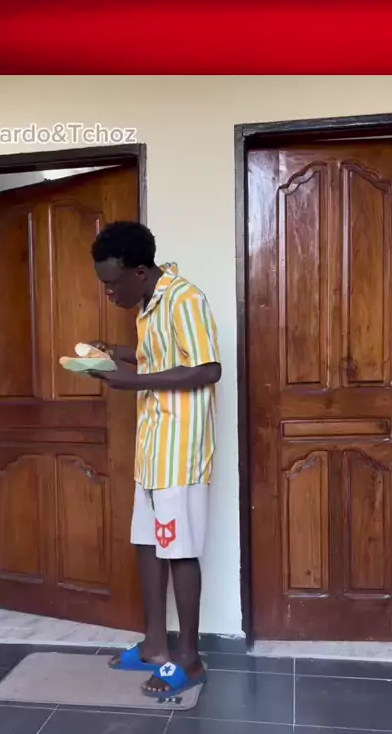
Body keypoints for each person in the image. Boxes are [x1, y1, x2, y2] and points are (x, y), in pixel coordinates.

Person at [88, 221, 221, 699]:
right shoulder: (150, 305)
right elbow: (158, 357)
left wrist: (135, 382)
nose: (109, 292)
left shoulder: (185, 298)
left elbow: (208, 367)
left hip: (181, 452)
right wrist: (115, 355)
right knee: (148, 544)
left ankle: (189, 660)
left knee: (178, 550)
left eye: (112, 283)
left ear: (140, 272)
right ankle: (154, 646)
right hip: (152, 449)